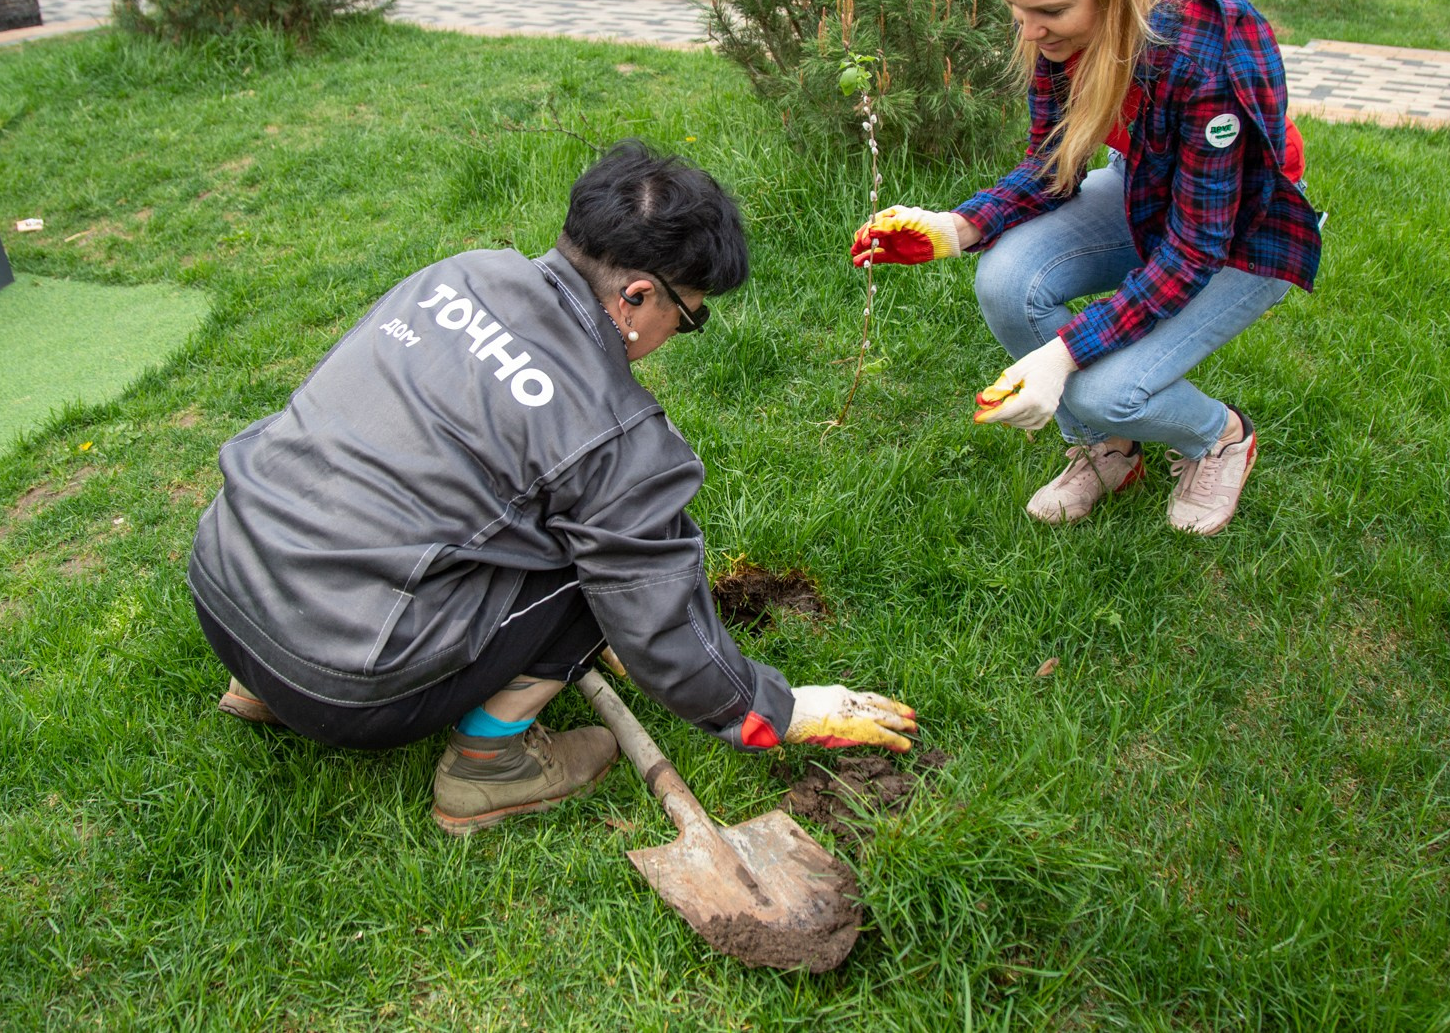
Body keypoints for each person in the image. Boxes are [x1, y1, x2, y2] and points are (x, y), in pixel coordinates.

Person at [191, 143, 916, 835]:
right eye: (687, 317)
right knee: (600, 574)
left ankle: (258, 685)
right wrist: (778, 709)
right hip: (343, 684)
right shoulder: (614, 434)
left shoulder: (460, 273)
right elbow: (656, 621)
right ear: (636, 296)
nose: (678, 332)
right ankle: (490, 764)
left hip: (222, 584)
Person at [851, 0, 1322, 536]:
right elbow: (1052, 164)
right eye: (1020, 13)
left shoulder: (1207, 47)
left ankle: (1220, 436)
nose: (1034, 33)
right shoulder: (1063, 30)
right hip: (1146, 187)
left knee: (1104, 389)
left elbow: (1194, 251)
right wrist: (957, 228)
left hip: (1246, 229)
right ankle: (1110, 447)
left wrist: (1065, 353)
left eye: (1049, 13)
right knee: (1008, 279)